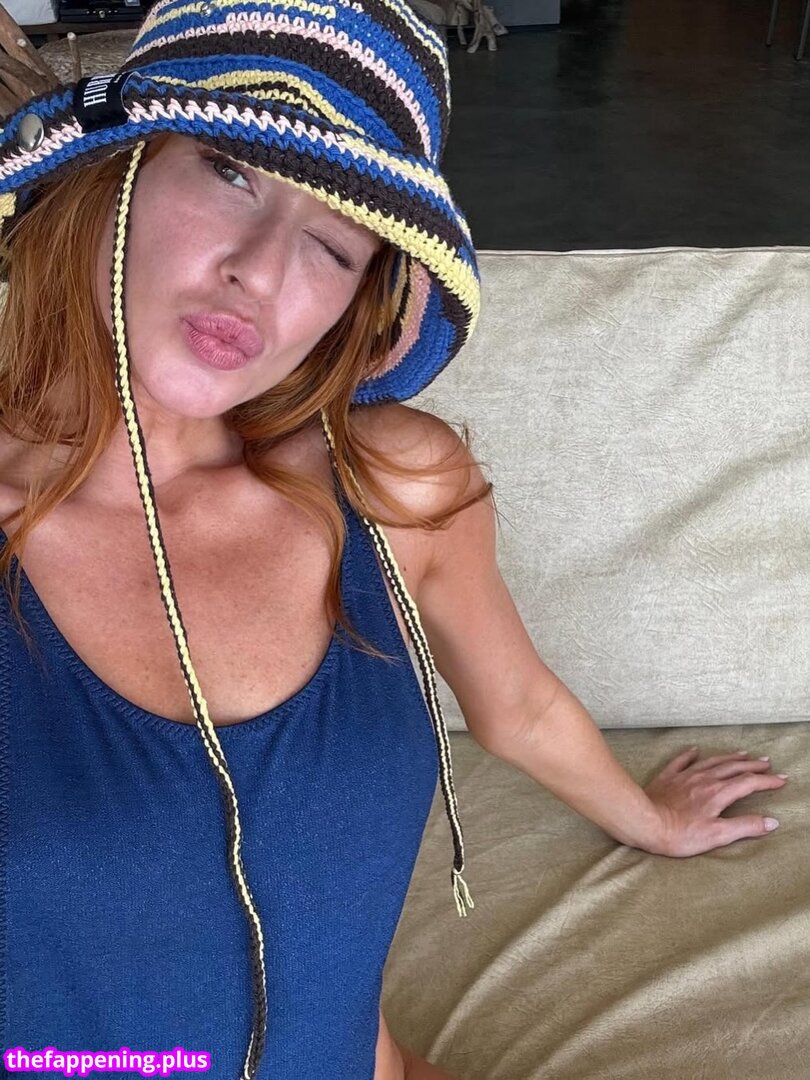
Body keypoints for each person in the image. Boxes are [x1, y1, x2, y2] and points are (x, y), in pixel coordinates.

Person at [0, 2, 787, 1078]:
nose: (263, 271)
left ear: (360, 299)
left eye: (333, 241)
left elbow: (518, 705)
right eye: (229, 171)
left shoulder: (399, 488)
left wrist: (654, 821)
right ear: (112, 174)